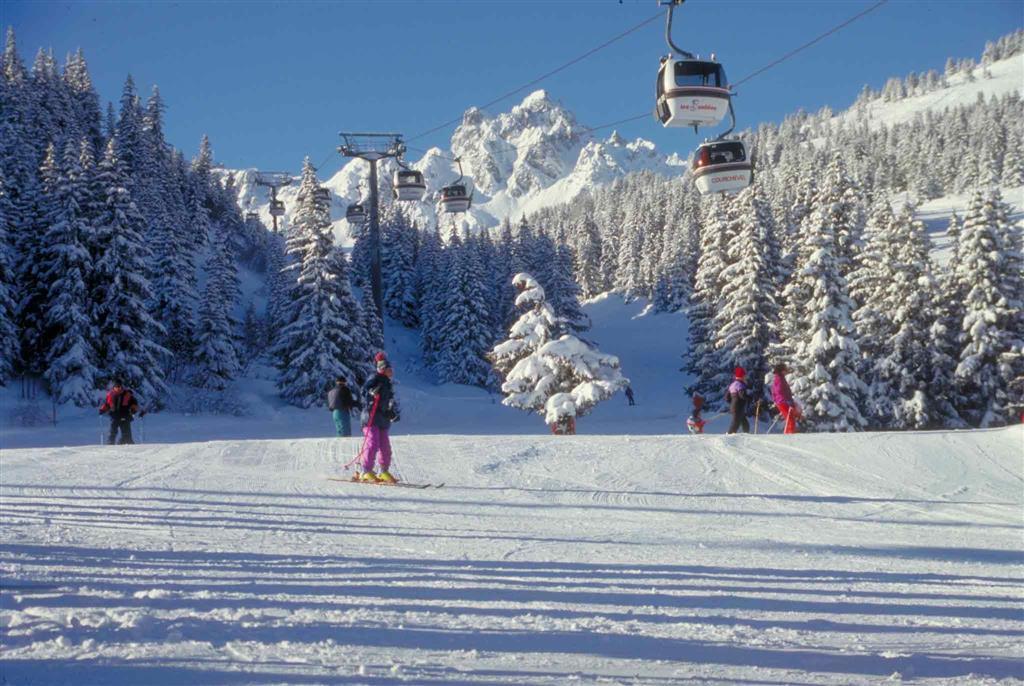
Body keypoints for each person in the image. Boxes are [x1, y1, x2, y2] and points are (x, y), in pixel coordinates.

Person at [358, 355, 400, 483]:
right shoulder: (374, 377)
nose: (391, 371)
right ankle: (365, 470)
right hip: (371, 416)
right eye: (389, 368)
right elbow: (364, 390)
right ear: (382, 369)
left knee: (385, 446)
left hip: (382, 418)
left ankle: (384, 471)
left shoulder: (387, 383)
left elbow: (388, 402)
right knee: (372, 443)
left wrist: (391, 413)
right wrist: (371, 392)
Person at [98, 378, 141, 445]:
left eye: (120, 386)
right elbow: (107, 404)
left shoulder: (127, 394)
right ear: (114, 387)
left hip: (125, 416)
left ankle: (126, 445)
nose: (119, 388)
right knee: (112, 432)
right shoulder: (110, 395)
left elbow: (134, 403)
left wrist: (133, 410)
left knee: (127, 434)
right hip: (114, 416)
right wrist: (102, 410)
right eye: (117, 386)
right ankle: (110, 445)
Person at [771, 363, 801, 434]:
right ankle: (790, 435)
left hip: (782, 401)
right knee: (790, 419)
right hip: (783, 402)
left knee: (790, 419)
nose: (787, 371)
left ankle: (789, 433)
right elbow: (778, 391)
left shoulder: (780, 378)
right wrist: (786, 400)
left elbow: (776, 391)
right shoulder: (779, 379)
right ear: (782, 371)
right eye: (785, 369)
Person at [725, 367, 750, 434]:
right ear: (741, 376)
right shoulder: (740, 385)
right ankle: (728, 436)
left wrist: (732, 403)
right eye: (744, 375)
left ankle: (746, 435)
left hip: (735, 407)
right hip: (738, 407)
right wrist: (750, 397)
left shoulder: (732, 384)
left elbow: (727, 397)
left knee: (745, 423)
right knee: (735, 424)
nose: (745, 377)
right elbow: (742, 395)